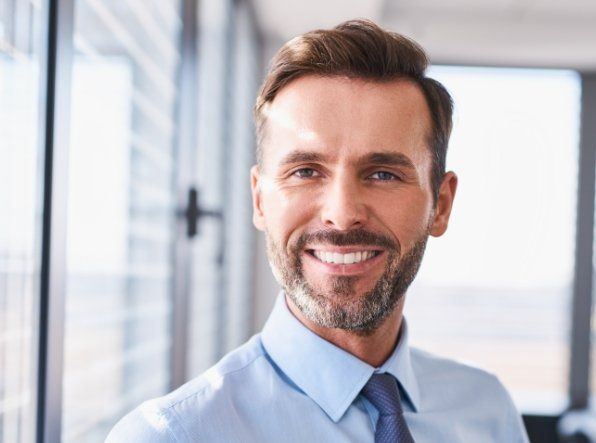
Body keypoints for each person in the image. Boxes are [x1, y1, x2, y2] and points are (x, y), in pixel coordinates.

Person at [107, 19, 529, 442]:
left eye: (383, 174)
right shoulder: (172, 435)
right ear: (259, 200)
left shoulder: (488, 412)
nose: (342, 214)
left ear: (441, 205)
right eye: (306, 171)